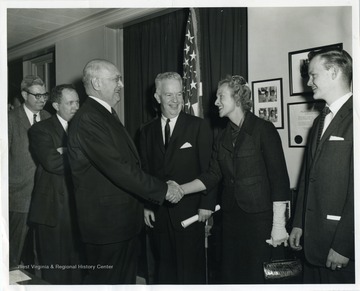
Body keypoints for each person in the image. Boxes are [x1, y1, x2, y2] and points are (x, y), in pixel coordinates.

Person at [67, 59, 183, 284]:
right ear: (97, 83)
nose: (121, 84)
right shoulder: (89, 118)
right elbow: (120, 168)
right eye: (116, 79)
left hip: (120, 224)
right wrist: (162, 189)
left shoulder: (104, 114)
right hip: (107, 228)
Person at [179, 75, 290, 284]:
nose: (215, 102)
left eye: (221, 96)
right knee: (233, 275)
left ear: (237, 98)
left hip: (260, 220)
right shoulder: (221, 137)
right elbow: (212, 175)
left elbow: (280, 180)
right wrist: (180, 189)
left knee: (260, 276)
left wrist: (279, 224)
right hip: (231, 219)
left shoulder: (263, 130)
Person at [139, 72, 216, 284]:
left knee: (191, 273)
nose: (175, 100)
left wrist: (207, 205)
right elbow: (145, 172)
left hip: (191, 214)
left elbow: (210, 170)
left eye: (179, 94)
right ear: (157, 97)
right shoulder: (145, 131)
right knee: (164, 272)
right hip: (159, 213)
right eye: (169, 95)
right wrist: (147, 205)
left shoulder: (198, 126)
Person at [289, 48, 354, 283]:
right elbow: (308, 178)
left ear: (334, 72)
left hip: (340, 247)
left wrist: (345, 245)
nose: (308, 82)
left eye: (313, 75)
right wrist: (298, 224)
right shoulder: (319, 121)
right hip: (312, 244)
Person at [28, 84, 83, 284]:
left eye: (77, 101)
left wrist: (65, 151)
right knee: (54, 272)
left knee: (77, 269)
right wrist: (82, 156)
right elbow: (53, 163)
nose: (76, 106)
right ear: (56, 105)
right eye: (70, 103)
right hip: (52, 211)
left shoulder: (84, 128)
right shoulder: (40, 129)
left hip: (79, 209)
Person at [8, 75, 51, 268]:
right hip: (19, 194)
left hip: (45, 193)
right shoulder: (10, 119)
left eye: (45, 95)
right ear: (25, 94)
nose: (42, 99)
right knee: (13, 250)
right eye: (37, 95)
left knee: (40, 248)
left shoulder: (49, 118)